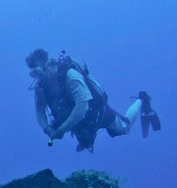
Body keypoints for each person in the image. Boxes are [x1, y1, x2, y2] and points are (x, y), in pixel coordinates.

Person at [25, 48, 161, 152]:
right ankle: (85, 141)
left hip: (96, 112)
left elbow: (82, 107)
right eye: (33, 74)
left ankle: (141, 100)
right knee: (84, 138)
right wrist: (47, 129)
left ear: (48, 65)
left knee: (124, 128)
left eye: (38, 72)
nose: (38, 78)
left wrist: (61, 130)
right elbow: (39, 110)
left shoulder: (70, 76)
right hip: (71, 117)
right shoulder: (41, 86)